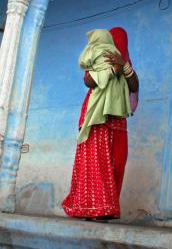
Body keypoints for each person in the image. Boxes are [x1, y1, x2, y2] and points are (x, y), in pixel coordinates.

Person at [62, 27, 139, 221]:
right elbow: (88, 80)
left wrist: (124, 65)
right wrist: (111, 70)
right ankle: (93, 209)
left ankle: (107, 208)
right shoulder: (98, 56)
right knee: (95, 162)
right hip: (96, 115)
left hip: (117, 118)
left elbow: (134, 86)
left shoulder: (123, 62)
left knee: (117, 162)